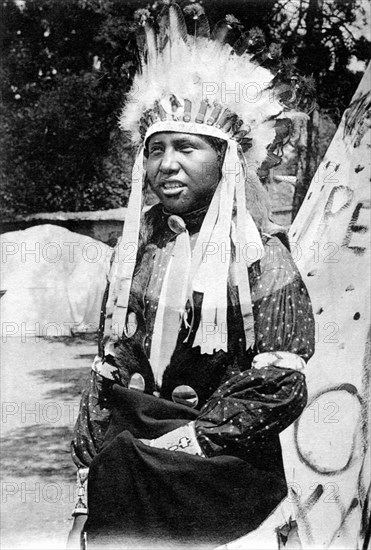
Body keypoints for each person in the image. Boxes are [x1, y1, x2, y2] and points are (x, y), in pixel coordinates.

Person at [68, 4, 315, 549]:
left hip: (223, 478)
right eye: (155, 149)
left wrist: (187, 442)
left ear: (225, 159)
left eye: (186, 146)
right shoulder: (137, 251)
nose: (167, 164)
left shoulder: (259, 254)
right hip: (130, 467)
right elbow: (111, 360)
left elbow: (281, 383)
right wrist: (91, 468)